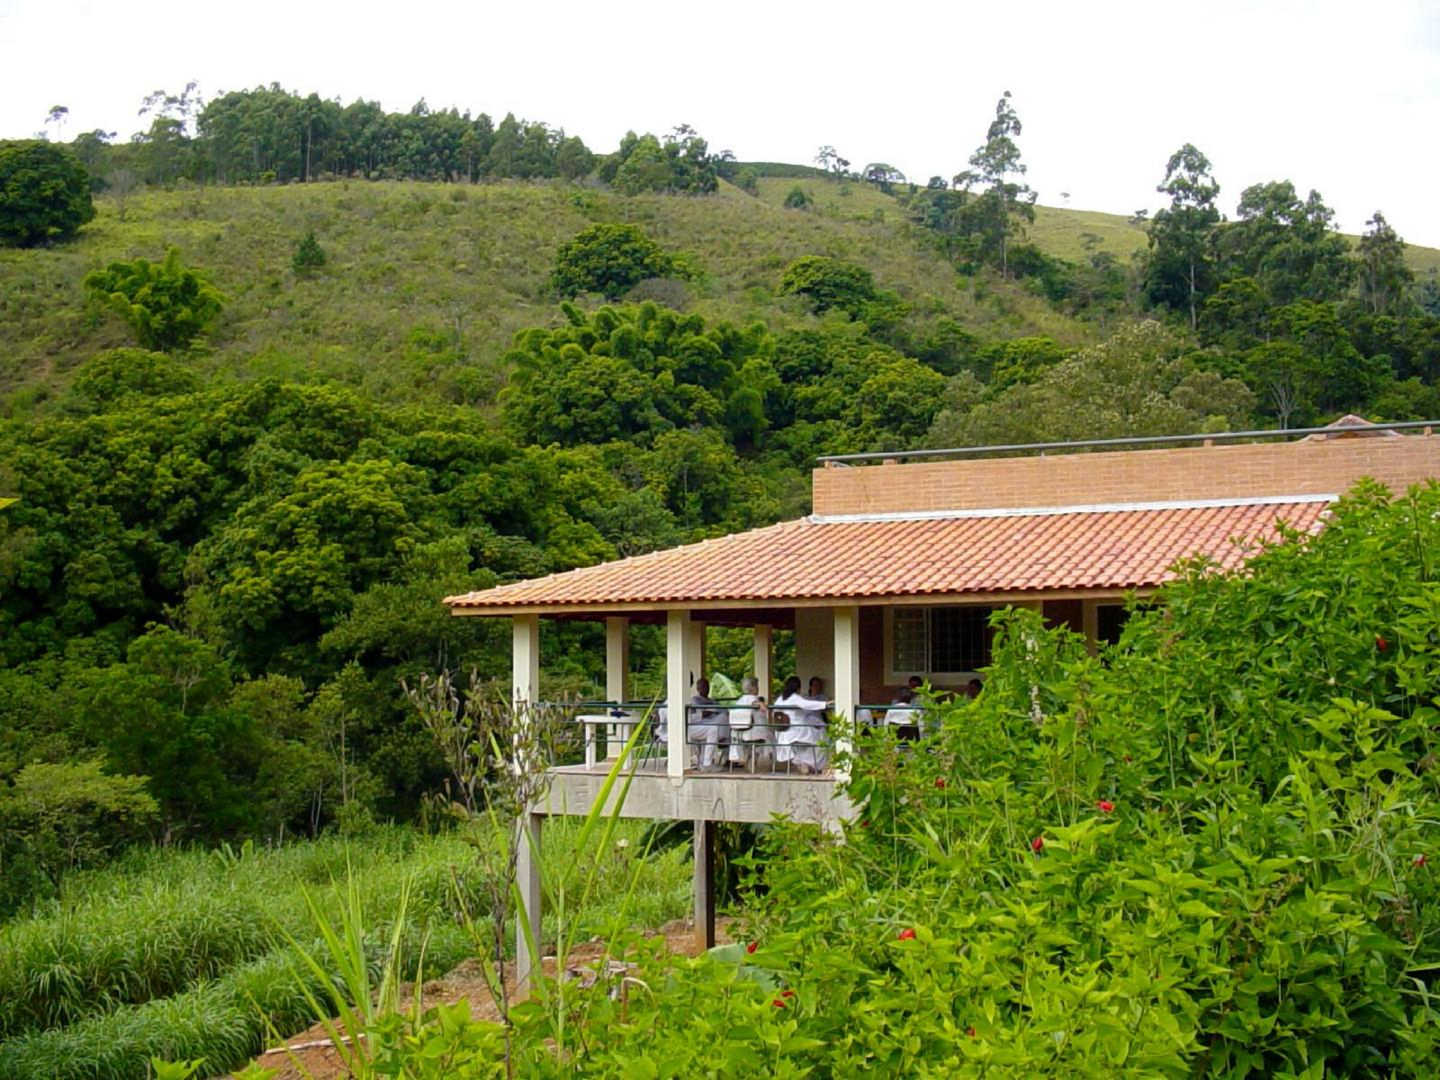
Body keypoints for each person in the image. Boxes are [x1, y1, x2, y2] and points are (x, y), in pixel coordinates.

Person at [774, 675, 831, 774]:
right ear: (798, 688)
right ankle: (814, 764)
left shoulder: (780, 699)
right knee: (823, 735)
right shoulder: (794, 698)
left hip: (784, 734)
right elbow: (807, 704)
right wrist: (825, 704)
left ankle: (803, 763)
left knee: (815, 737)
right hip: (798, 732)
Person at [728, 676, 773, 771]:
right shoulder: (753, 698)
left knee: (763, 734)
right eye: (757, 686)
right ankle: (759, 760)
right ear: (753, 688)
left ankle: (749, 757)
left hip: (738, 733)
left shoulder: (739, 701)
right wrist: (763, 705)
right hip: (753, 733)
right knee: (770, 735)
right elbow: (763, 708)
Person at [688, 678, 728, 770]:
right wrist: (706, 713)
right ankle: (706, 763)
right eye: (703, 687)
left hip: (714, 723)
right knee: (714, 728)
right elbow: (695, 716)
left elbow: (722, 709)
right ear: (698, 688)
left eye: (707, 687)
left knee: (725, 718)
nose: (706, 689)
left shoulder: (712, 701)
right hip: (699, 725)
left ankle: (726, 753)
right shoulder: (695, 700)